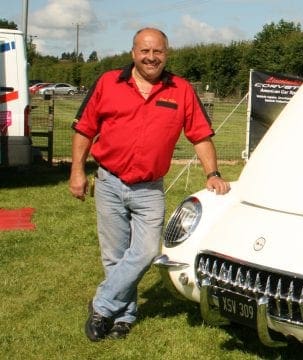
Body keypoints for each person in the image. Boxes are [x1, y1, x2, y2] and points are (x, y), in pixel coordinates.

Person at [68, 27, 231, 342]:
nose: (151, 57)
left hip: (150, 189)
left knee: (143, 253)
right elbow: (85, 129)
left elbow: (200, 135)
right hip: (109, 182)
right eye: (145, 51)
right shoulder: (108, 83)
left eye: (157, 51)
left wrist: (212, 174)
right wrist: (77, 171)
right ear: (133, 53)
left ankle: (101, 304)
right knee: (114, 256)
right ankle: (123, 317)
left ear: (166, 54)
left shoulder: (181, 90)